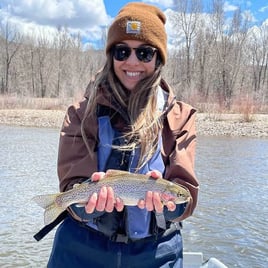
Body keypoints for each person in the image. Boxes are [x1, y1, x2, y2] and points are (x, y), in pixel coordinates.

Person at [47, 2, 199, 267]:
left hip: (155, 253)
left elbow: (185, 196)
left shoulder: (180, 116)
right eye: (122, 51)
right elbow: (73, 183)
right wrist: (84, 204)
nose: (132, 61)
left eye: (144, 53)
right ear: (110, 55)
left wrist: (169, 205)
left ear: (158, 58)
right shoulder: (81, 113)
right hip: (81, 249)